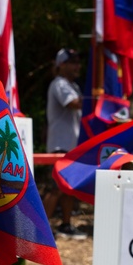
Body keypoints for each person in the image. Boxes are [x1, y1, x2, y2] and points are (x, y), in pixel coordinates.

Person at [44, 48, 87, 240]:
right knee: (56, 188)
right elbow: (74, 104)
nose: (77, 66)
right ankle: (40, 229)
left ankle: (66, 224)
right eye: (73, 62)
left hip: (71, 145)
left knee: (68, 188)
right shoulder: (60, 84)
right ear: (62, 65)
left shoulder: (73, 86)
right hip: (59, 145)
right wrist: (99, 99)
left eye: (78, 62)